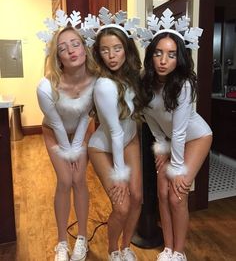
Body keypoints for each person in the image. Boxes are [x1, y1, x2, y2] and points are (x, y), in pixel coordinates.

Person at [141, 25, 212, 261]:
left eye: (171, 55)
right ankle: (168, 249)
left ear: (179, 58)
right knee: (162, 192)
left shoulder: (184, 85)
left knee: (176, 195)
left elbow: (181, 132)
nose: (163, 60)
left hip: (196, 138)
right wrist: (161, 145)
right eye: (158, 53)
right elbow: (151, 118)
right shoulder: (145, 83)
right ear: (151, 54)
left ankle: (179, 252)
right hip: (171, 140)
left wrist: (179, 169)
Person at [37, 21, 96, 261]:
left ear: (84, 48)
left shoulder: (96, 81)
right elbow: (58, 124)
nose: (71, 50)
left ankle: (81, 238)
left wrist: (77, 148)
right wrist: (68, 152)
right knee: (64, 180)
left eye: (76, 44)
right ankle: (62, 242)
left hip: (82, 130)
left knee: (79, 179)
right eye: (63, 48)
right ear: (58, 57)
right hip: (54, 131)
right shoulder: (46, 86)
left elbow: (86, 117)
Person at [87, 24, 143, 261]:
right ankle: (113, 250)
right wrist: (120, 175)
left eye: (117, 48)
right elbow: (113, 131)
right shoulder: (104, 85)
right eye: (105, 50)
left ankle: (126, 246)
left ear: (126, 49)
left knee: (137, 198)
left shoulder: (132, 77)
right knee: (121, 206)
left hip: (129, 141)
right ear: (98, 53)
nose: (111, 56)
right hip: (103, 147)